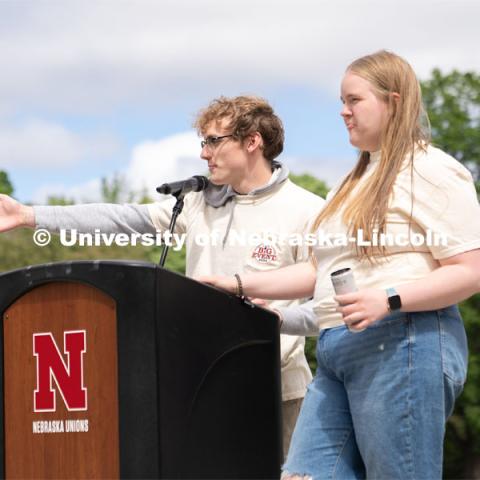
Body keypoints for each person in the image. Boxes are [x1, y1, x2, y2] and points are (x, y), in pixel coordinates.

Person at [199, 52, 480, 479]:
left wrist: (389, 298)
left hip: (403, 342)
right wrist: (237, 283)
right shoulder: (352, 185)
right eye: (341, 101)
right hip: (336, 350)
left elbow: (470, 269)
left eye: (354, 100)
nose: (343, 111)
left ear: (394, 102)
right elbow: (317, 271)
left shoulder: (431, 170)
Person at [0, 95, 324, 457]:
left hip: (281, 393)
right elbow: (121, 219)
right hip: (202, 388)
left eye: (214, 141)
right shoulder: (198, 203)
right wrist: (29, 215)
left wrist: (277, 321)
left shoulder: (309, 211)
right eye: (203, 142)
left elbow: (330, 309)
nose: (204, 153)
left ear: (252, 142)